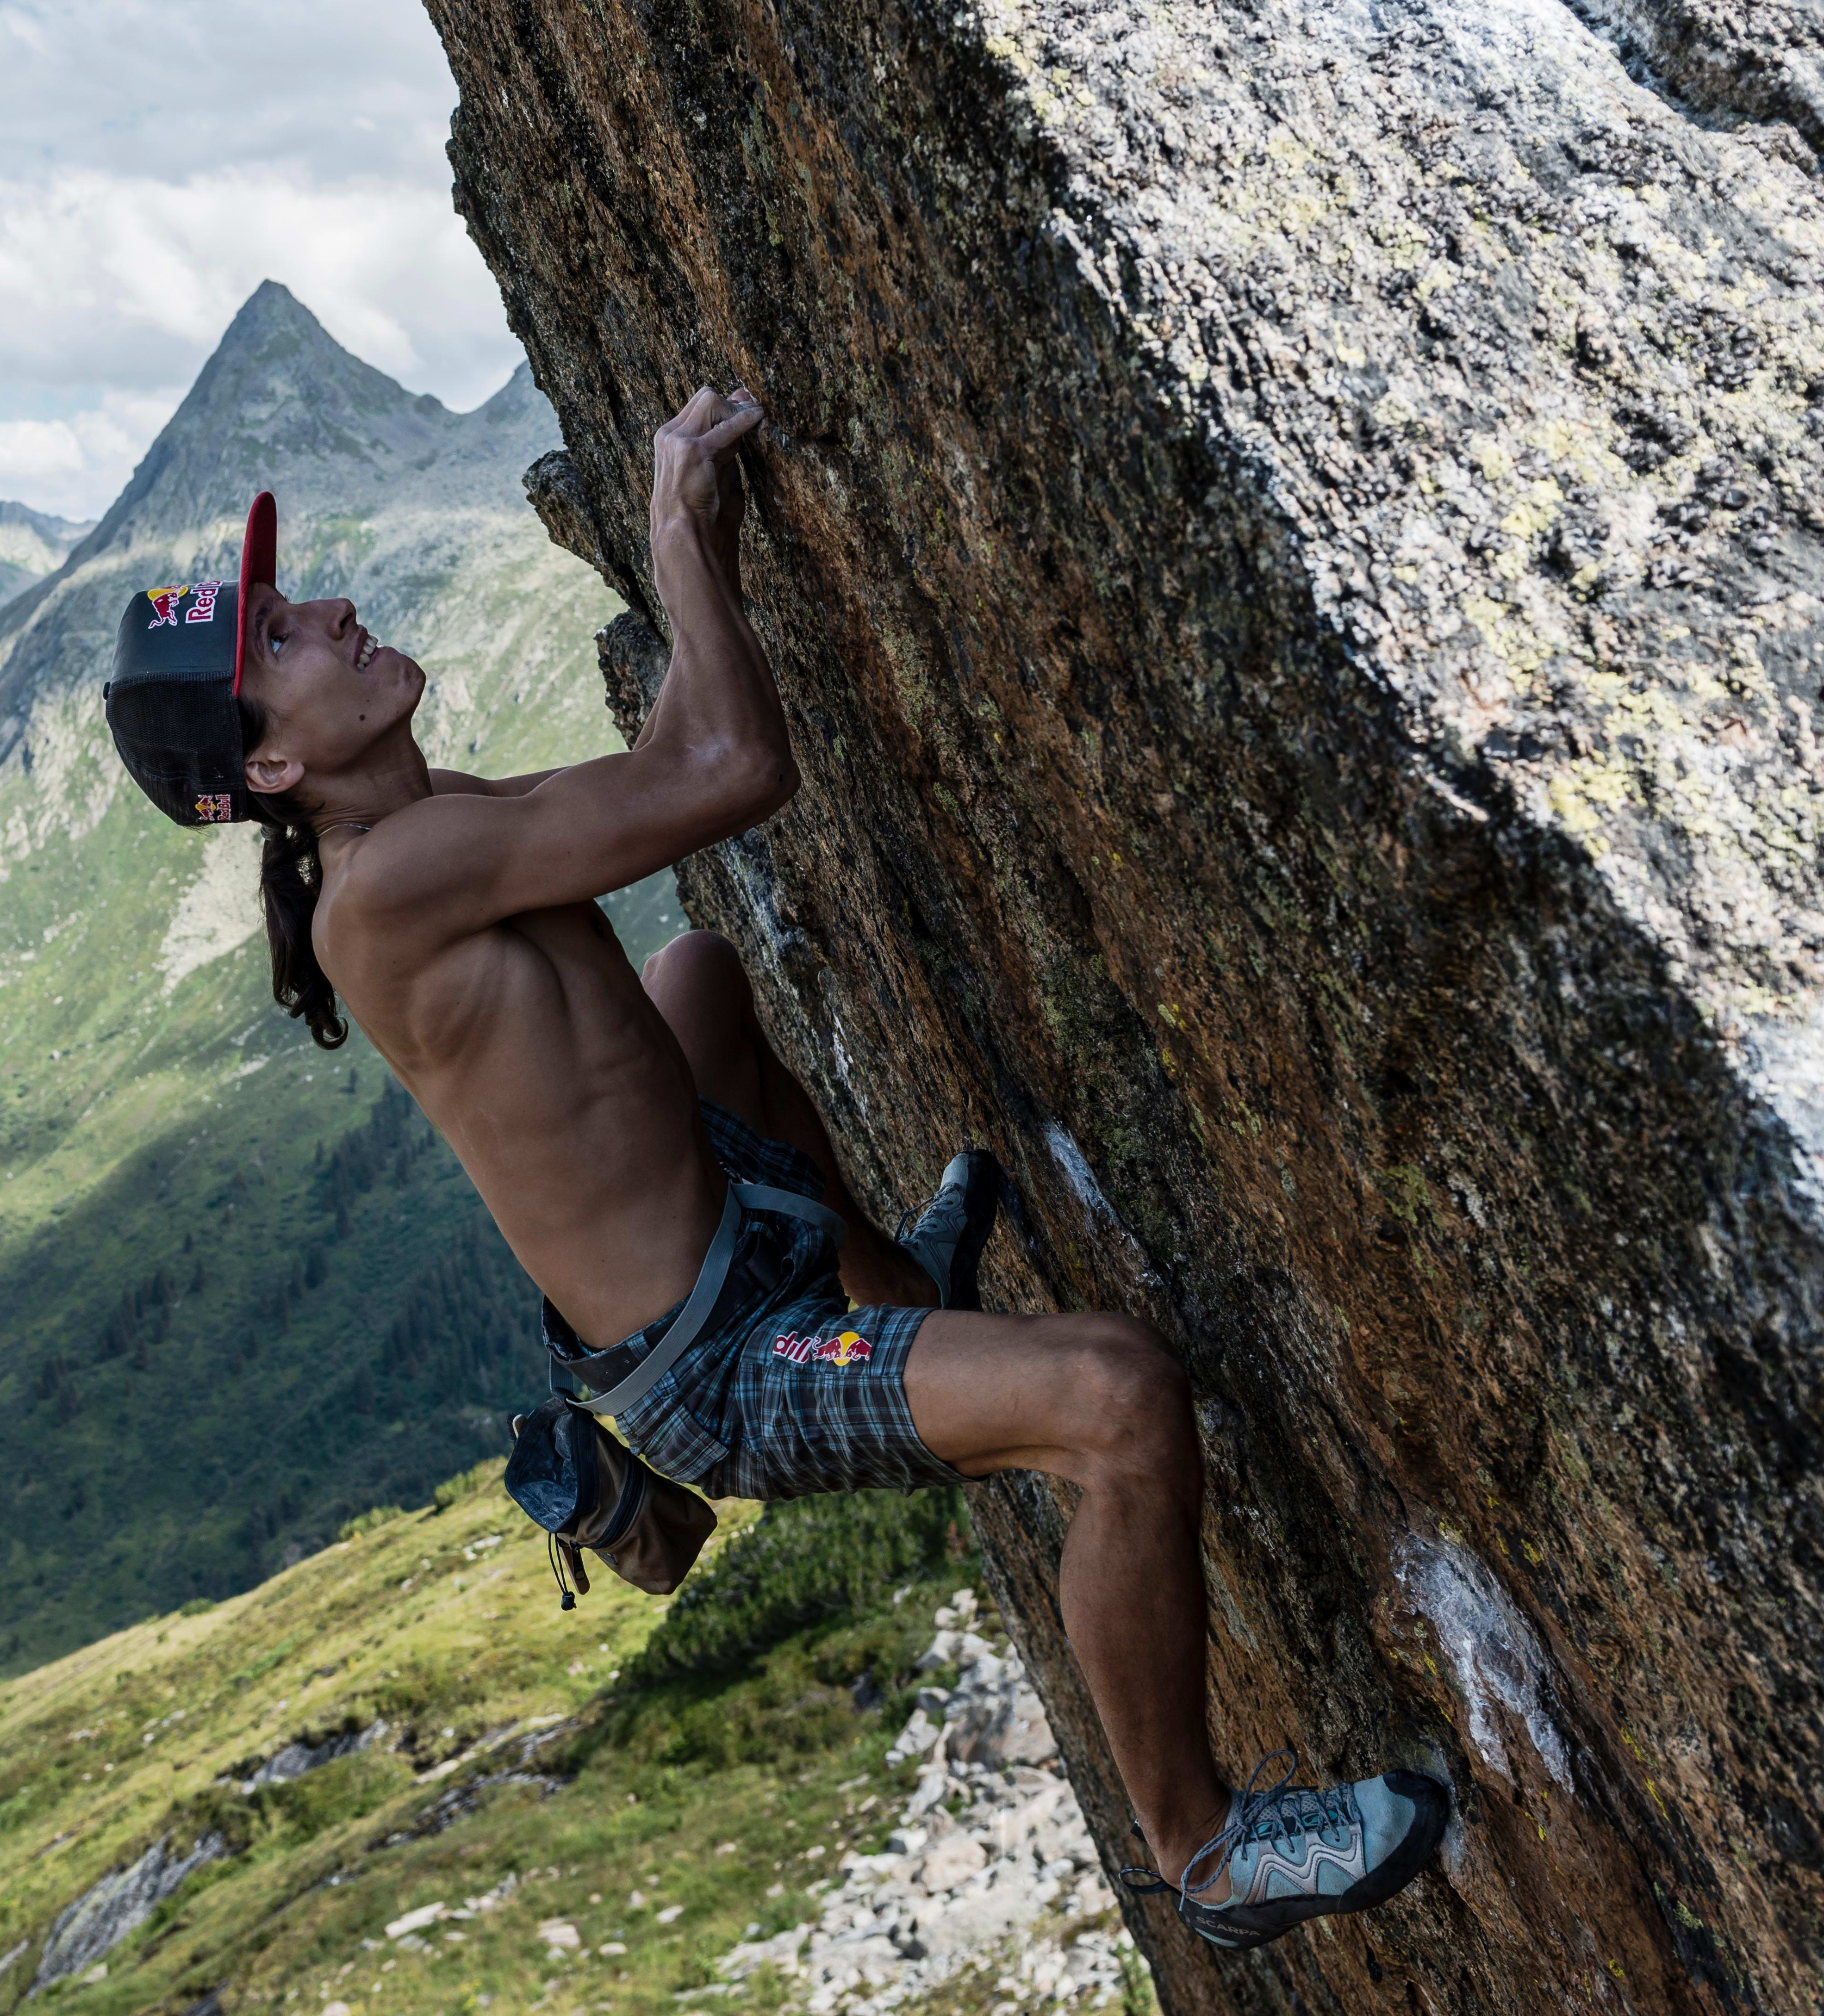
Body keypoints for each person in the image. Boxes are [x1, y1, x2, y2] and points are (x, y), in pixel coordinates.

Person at [100, 385, 1447, 1951]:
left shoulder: (425, 819)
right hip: (726, 1362)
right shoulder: (389, 882)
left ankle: (890, 1291)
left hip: (721, 1235)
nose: (328, 611)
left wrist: (706, 570)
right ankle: (1206, 1853)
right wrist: (679, 536)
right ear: (268, 771)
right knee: (1119, 1397)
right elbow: (733, 768)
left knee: (697, 984)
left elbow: (672, 765)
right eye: (280, 641)